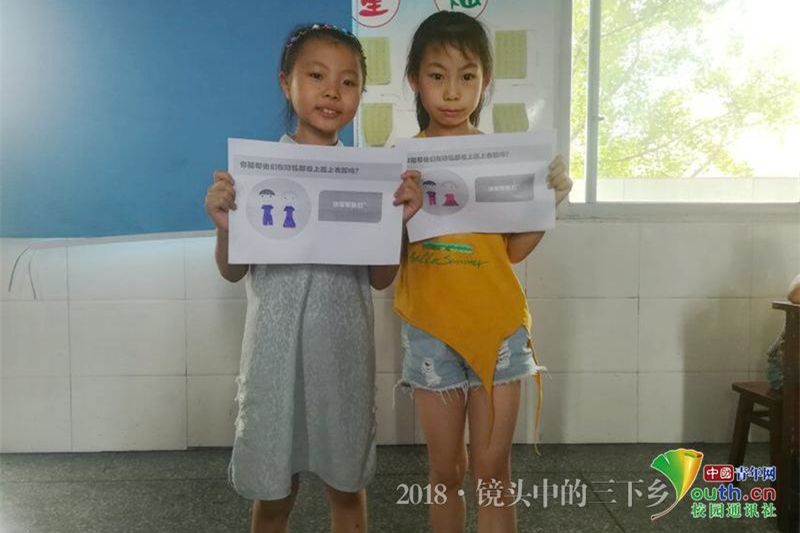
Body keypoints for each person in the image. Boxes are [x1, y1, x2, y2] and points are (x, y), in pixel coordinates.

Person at [204, 23, 421, 533]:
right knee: (274, 492)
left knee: (346, 487)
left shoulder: (370, 179)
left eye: (348, 81)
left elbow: (381, 279)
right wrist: (224, 226)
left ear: (361, 93)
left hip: (342, 355)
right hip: (273, 358)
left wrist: (398, 224)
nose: (332, 92)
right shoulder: (257, 174)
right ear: (287, 83)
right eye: (317, 76)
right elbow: (231, 271)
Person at [394, 11, 573, 533]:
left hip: (499, 331)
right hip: (431, 332)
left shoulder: (504, 159)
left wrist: (549, 203)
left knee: (492, 472)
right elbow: (389, 256)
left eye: (467, 76)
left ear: (485, 82)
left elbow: (512, 251)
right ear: (415, 80)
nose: (453, 92)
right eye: (437, 75)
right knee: (445, 472)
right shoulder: (399, 164)